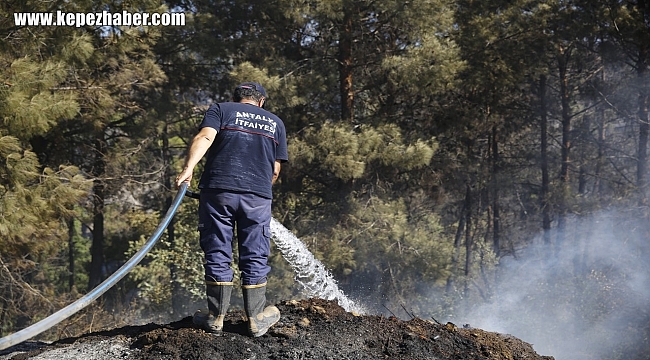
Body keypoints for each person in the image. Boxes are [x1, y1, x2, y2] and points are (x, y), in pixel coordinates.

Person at [175, 82, 288, 337]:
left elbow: (205, 137)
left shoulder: (221, 110)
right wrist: (257, 188)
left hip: (218, 192)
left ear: (236, 99)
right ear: (261, 102)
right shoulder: (275, 122)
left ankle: (216, 318)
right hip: (257, 197)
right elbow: (275, 170)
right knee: (255, 253)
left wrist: (188, 169)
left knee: (217, 249)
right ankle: (257, 319)